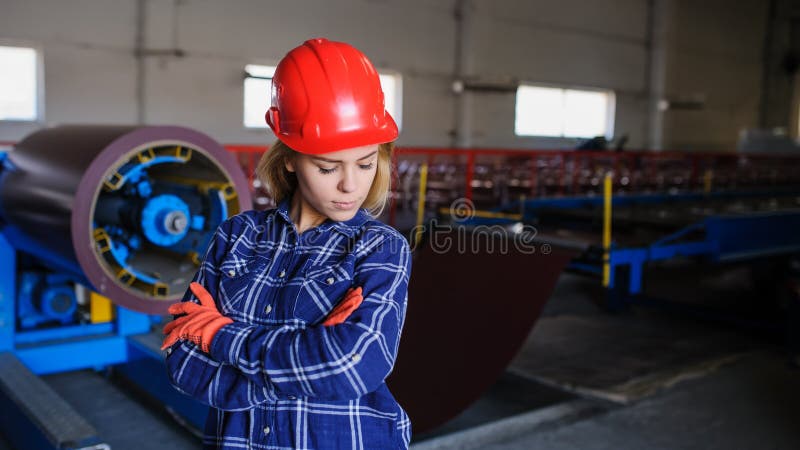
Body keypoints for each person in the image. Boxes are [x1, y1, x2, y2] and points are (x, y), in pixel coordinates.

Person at [161, 37, 412, 450]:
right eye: (328, 166)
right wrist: (305, 360)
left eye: (366, 163)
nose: (351, 185)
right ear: (291, 157)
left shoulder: (379, 248)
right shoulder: (235, 237)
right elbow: (183, 363)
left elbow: (352, 365)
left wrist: (223, 336)